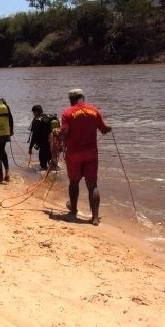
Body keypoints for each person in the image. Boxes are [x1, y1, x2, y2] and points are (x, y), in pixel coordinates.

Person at [55, 88, 111, 226]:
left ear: (71, 100)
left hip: (74, 154)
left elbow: (64, 133)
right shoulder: (95, 111)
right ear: (83, 98)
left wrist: (56, 134)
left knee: (74, 183)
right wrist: (110, 128)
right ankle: (95, 218)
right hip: (91, 153)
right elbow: (104, 129)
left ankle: (73, 209)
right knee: (92, 185)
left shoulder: (67, 113)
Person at [28, 104, 51, 170]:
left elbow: (34, 136)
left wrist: (30, 148)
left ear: (37, 112)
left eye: (34, 112)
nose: (33, 114)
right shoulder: (48, 118)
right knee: (51, 164)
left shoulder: (36, 121)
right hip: (51, 145)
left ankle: (44, 178)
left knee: (43, 166)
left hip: (43, 147)